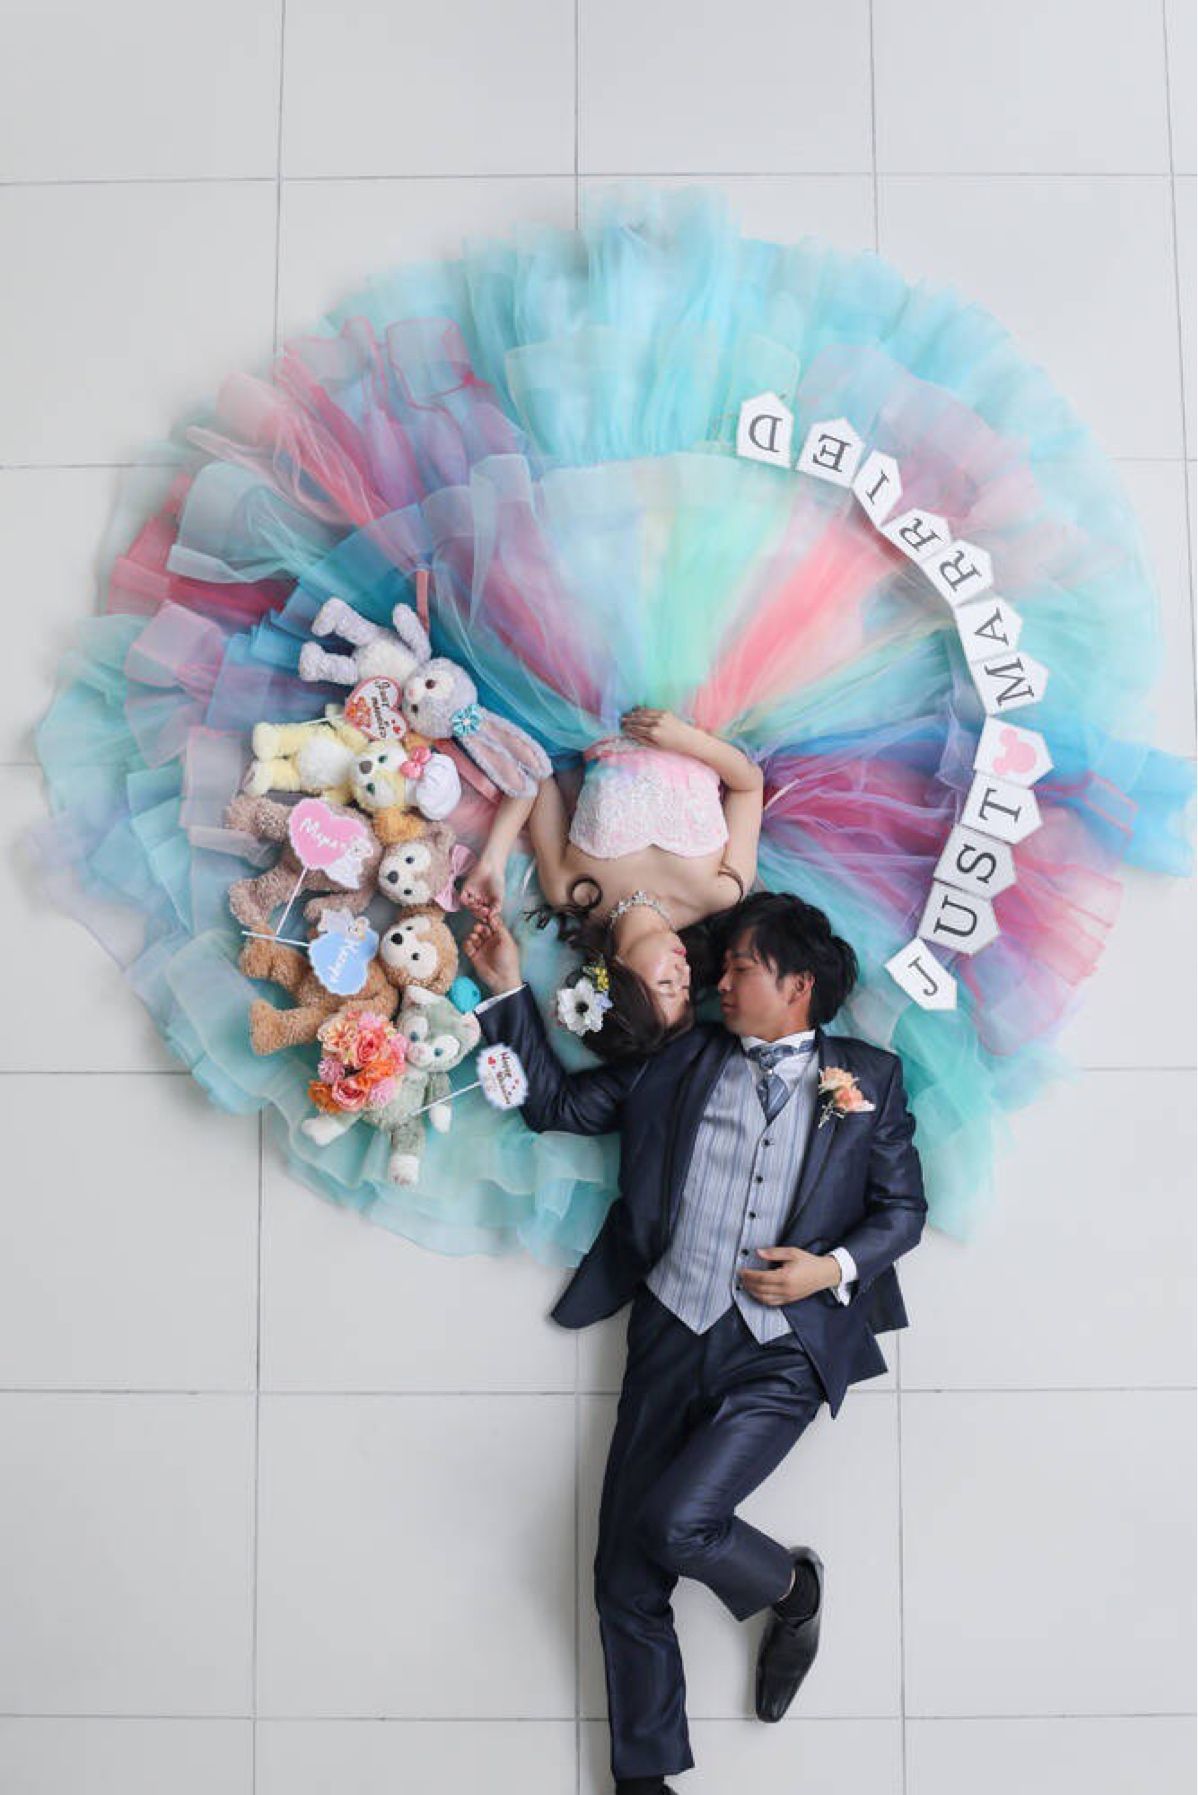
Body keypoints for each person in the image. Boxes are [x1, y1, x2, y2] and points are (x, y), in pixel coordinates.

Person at [464, 888, 927, 1795]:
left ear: (797, 984)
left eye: (741, 968)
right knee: (622, 1578)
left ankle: (792, 1590)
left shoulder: (869, 1077)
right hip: (672, 1329)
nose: (720, 982)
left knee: (677, 1523)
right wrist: (505, 987)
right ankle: (644, 1781)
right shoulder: (675, 1058)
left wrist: (828, 1269)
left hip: (782, 1353)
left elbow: (902, 1210)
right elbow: (553, 1105)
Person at [460, 707, 764, 1058]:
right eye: (684, 987)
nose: (684, 973)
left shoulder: (571, 892)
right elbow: (749, 784)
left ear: (617, 971)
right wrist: (688, 740)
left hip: (595, 710)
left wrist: (492, 862)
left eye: (667, 983)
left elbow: (536, 775)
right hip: (705, 714)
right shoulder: (721, 892)